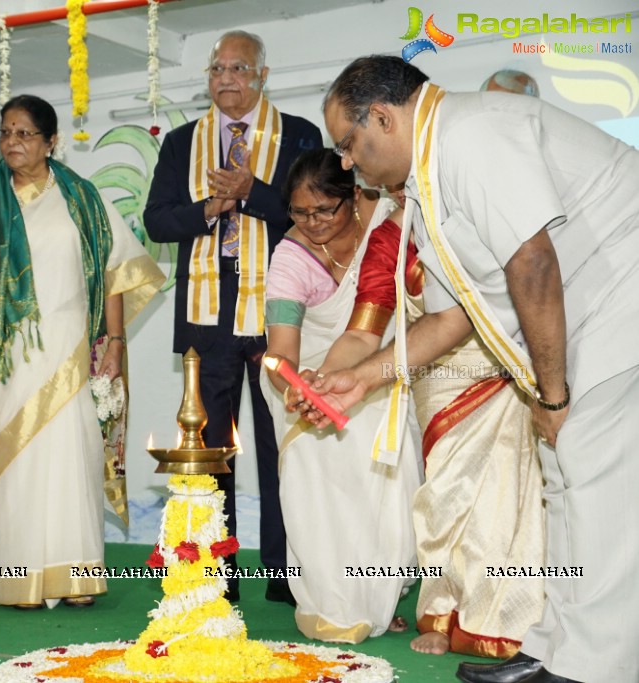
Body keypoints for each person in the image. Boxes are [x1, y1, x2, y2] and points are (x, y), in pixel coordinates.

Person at [318, 55, 639, 683]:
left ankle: (601, 666)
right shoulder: (426, 181)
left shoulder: (470, 133)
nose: (347, 163)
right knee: (564, 483)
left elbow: (533, 261)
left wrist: (550, 398)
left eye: (349, 145)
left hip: (620, 300)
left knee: (596, 485)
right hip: (584, 317)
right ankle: (554, 648)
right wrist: (367, 375)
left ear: (382, 116)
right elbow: (451, 318)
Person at [316, 183, 544, 657]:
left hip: (505, 367)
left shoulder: (478, 215)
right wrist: (328, 378)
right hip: (435, 381)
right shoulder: (386, 241)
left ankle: (508, 618)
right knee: (444, 497)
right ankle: (442, 612)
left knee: (511, 496)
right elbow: (363, 332)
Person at [0, 94, 163, 609]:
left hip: (71, 346)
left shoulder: (83, 199)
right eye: (5, 132)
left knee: (72, 459)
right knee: (15, 463)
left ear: (51, 142)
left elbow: (115, 274)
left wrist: (114, 343)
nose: (11, 142)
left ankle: (76, 577)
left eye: (24, 133)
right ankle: (20, 580)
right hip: (6, 353)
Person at [143, 30, 321, 604]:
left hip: (279, 306)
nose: (226, 79)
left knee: (279, 443)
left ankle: (284, 569)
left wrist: (252, 191)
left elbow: (311, 218)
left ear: (263, 76)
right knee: (211, 446)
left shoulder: (298, 135)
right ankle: (217, 570)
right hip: (207, 309)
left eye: (238, 68)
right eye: (216, 69)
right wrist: (209, 208)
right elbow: (158, 222)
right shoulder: (180, 143)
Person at [260, 149, 420, 643]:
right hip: (307, 385)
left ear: (352, 197)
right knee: (318, 478)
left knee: (385, 474)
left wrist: (349, 380)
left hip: (381, 374)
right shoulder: (290, 256)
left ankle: (379, 594)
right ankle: (333, 602)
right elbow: (280, 355)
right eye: (299, 212)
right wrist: (306, 392)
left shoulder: (384, 227)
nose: (311, 223)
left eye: (323, 210)